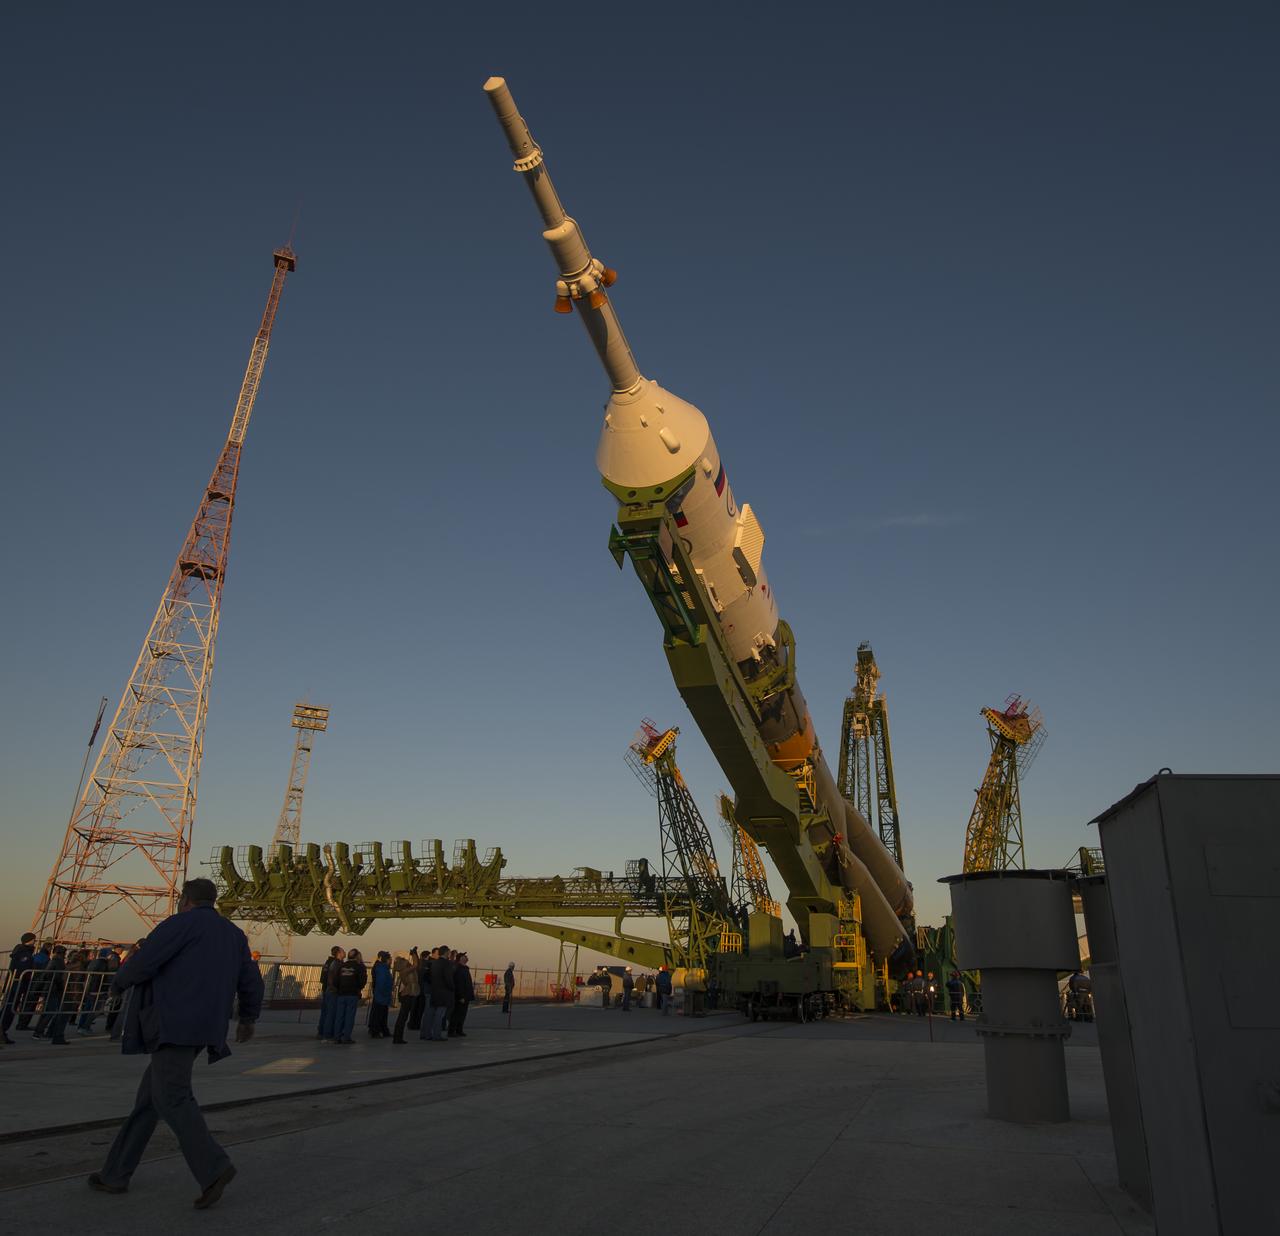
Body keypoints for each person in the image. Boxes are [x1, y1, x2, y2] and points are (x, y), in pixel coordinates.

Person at [87, 877, 263, 1210]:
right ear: (214, 901)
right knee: (149, 1101)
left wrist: (117, 984)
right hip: (207, 1026)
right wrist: (249, 1018)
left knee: (173, 1097)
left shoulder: (179, 925)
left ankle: (214, 1168)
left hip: (173, 1024)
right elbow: (250, 980)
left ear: (186, 900)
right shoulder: (234, 935)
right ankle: (115, 1174)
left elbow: (145, 961)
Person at [2, 932, 37, 1044]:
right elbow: (23, 969)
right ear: (30, 940)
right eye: (34, 940)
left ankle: (2, 1032)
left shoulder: (21, 951)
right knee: (9, 1010)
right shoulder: (24, 953)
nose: (35, 942)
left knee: (8, 1008)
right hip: (17, 985)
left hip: (15, 984)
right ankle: (2, 1032)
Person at [332, 948, 366, 1045]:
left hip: (341, 994)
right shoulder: (359, 966)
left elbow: (335, 981)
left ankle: (337, 1036)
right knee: (349, 1017)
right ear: (357, 956)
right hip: (352, 995)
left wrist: (339, 989)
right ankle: (346, 1037)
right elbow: (362, 981)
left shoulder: (342, 965)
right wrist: (358, 988)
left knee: (339, 1016)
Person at [78, 947, 114, 1035]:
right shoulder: (104, 964)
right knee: (97, 1009)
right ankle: (85, 1026)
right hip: (99, 989)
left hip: (91, 989)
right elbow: (103, 978)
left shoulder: (94, 962)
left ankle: (82, 1026)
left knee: (88, 1008)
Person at [426, 944, 455, 1041]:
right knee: (440, 1014)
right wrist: (452, 988)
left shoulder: (434, 963)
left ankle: (427, 1033)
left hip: (434, 990)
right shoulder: (447, 964)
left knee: (431, 1013)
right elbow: (448, 978)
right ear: (446, 952)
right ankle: (437, 1035)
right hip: (444, 992)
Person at [317, 946, 344, 1041]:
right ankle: (328, 1033)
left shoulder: (327, 963)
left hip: (326, 990)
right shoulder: (336, 964)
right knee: (331, 1013)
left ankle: (321, 1031)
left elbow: (322, 978)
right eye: (342, 951)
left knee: (325, 1012)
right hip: (332, 991)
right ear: (339, 953)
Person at [391, 953, 419, 1044]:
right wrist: (414, 954)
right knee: (402, 1017)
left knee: (403, 1017)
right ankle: (397, 1037)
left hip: (407, 994)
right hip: (407, 995)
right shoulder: (405, 971)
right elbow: (416, 965)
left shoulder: (404, 971)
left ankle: (398, 1037)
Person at [367, 951, 392, 1039]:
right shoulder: (382, 969)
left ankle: (383, 1030)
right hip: (382, 996)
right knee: (378, 1014)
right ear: (387, 960)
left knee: (382, 1014)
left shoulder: (382, 968)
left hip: (382, 995)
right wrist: (384, 993)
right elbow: (381, 983)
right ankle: (376, 1031)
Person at [418, 948, 440, 1041]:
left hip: (429, 990)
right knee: (429, 1013)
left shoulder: (431, 963)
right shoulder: (431, 963)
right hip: (430, 991)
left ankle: (425, 1033)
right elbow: (427, 977)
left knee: (428, 1013)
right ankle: (427, 1033)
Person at [451, 952, 474, 1037]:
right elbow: (459, 984)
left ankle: (459, 1030)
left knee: (462, 1014)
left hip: (466, 995)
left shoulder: (465, 969)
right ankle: (452, 1030)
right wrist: (461, 996)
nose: (466, 957)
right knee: (456, 1014)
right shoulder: (458, 969)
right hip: (461, 996)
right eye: (464, 956)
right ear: (460, 958)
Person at [409, 946, 428, 1030]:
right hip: (421, 989)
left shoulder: (418, 964)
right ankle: (416, 1024)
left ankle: (412, 1024)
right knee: (419, 1009)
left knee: (414, 1008)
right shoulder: (424, 964)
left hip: (416, 989)